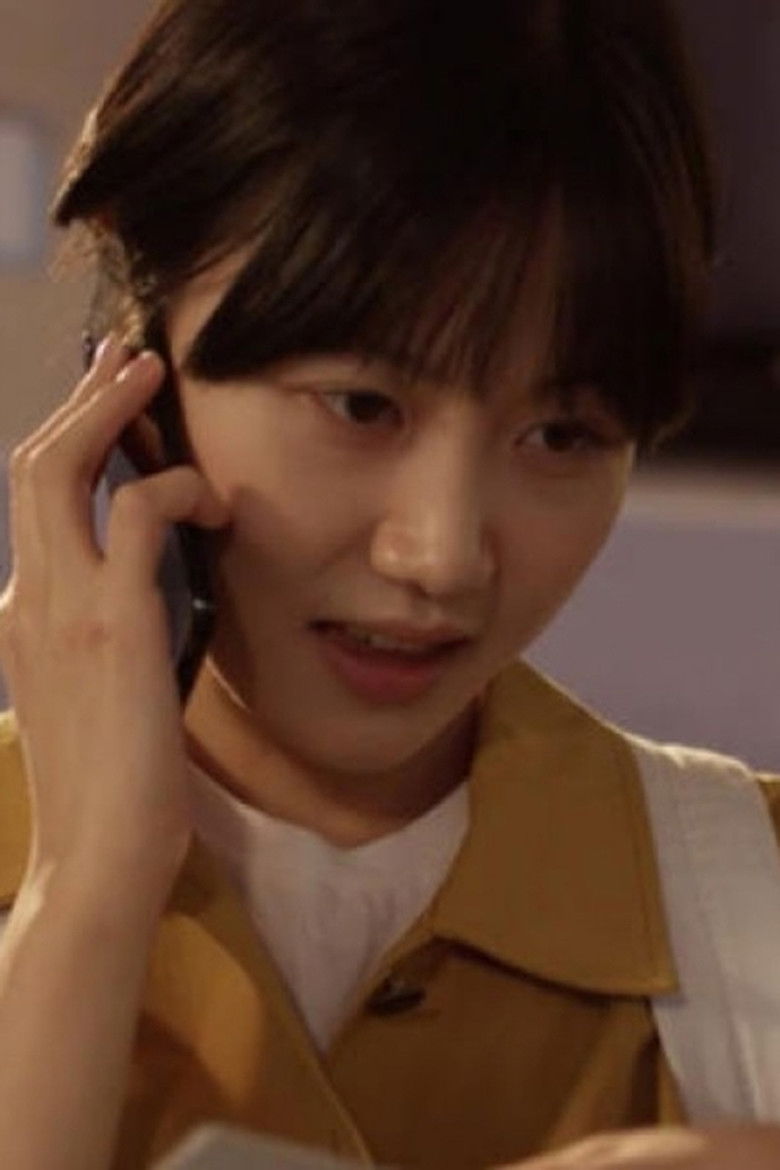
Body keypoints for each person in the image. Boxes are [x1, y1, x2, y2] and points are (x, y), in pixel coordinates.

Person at [0, 1, 778, 1168]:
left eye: (561, 435)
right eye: (361, 406)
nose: (443, 555)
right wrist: (84, 895)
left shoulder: (750, 890)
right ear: (139, 368)